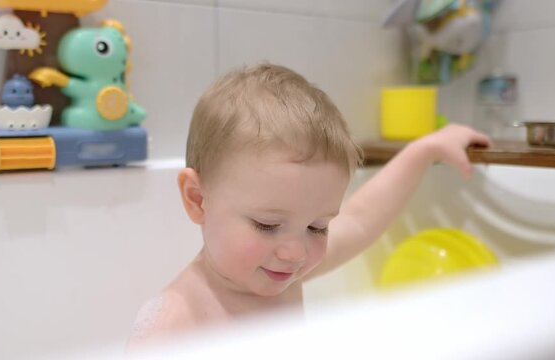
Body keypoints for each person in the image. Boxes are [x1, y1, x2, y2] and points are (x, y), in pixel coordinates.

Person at [127, 63, 490, 349]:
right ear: (197, 199)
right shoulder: (174, 326)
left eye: (318, 227)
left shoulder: (280, 273)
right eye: (267, 225)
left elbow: (362, 219)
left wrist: (424, 150)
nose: (296, 251)